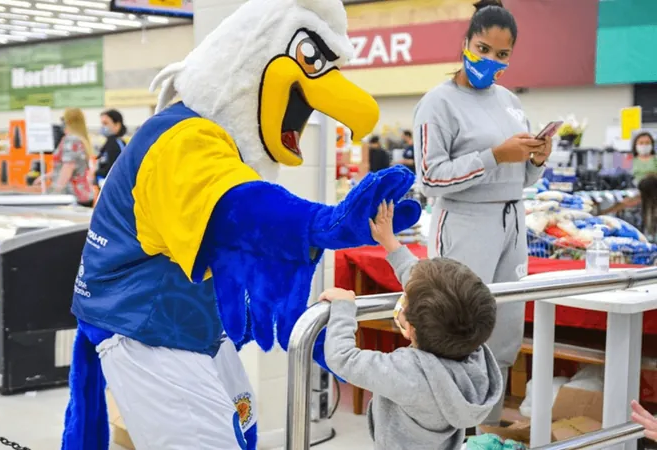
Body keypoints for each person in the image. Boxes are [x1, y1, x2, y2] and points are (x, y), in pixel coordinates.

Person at [59, 0, 423, 448]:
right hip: (145, 326)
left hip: (177, 320)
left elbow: (219, 230)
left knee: (240, 422)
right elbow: (239, 209)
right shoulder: (186, 137)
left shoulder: (206, 137)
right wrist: (324, 224)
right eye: (309, 62)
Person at [412, 0, 551, 425]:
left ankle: (485, 429)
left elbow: (522, 180)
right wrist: (494, 155)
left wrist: (537, 159)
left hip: (512, 220)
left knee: (504, 330)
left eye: (502, 54)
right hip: (466, 222)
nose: (490, 60)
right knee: (459, 325)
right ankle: (450, 427)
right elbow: (430, 178)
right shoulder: (438, 103)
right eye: (482, 48)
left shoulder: (509, 101)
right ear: (465, 43)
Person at [324, 201, 502, 450]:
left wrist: (344, 308)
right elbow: (428, 289)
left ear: (409, 328)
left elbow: (342, 358)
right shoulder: (474, 352)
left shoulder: (408, 374)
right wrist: (390, 243)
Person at [50, 108, 94, 207]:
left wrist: (55, 192)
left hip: (71, 196)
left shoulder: (71, 139)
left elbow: (68, 167)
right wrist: (49, 175)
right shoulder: (82, 139)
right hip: (84, 194)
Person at [96, 109, 127, 188]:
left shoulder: (117, 144)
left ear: (117, 125)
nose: (103, 127)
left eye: (105, 123)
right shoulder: (108, 143)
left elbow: (113, 168)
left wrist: (96, 172)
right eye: (102, 124)